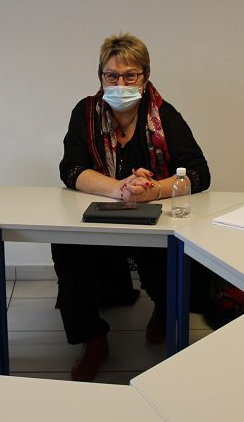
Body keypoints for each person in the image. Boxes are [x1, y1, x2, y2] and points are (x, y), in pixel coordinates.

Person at [53, 32, 210, 382]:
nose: (120, 83)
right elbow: (70, 170)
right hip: (101, 218)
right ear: (101, 77)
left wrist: (151, 191)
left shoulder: (165, 116)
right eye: (112, 75)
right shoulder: (86, 113)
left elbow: (199, 173)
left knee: (173, 258)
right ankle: (92, 338)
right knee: (66, 247)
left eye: (130, 76)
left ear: (145, 77)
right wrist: (119, 187)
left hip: (153, 220)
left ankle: (164, 308)